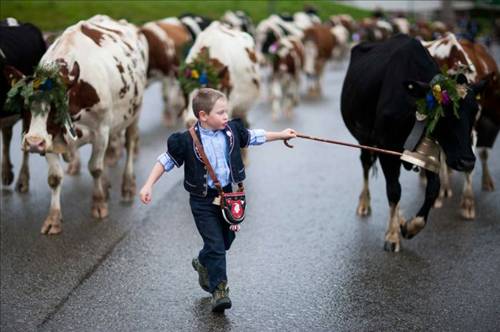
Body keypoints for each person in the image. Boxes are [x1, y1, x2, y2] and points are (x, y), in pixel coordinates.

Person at [139, 88, 296, 312]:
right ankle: (219, 290)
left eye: (226, 112)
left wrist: (281, 135)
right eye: (221, 112)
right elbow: (165, 161)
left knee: (225, 241)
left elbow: (254, 137)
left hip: (229, 198)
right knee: (216, 245)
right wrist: (148, 185)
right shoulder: (185, 140)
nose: (226, 116)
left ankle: (203, 261)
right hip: (202, 202)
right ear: (203, 116)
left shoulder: (232, 131)